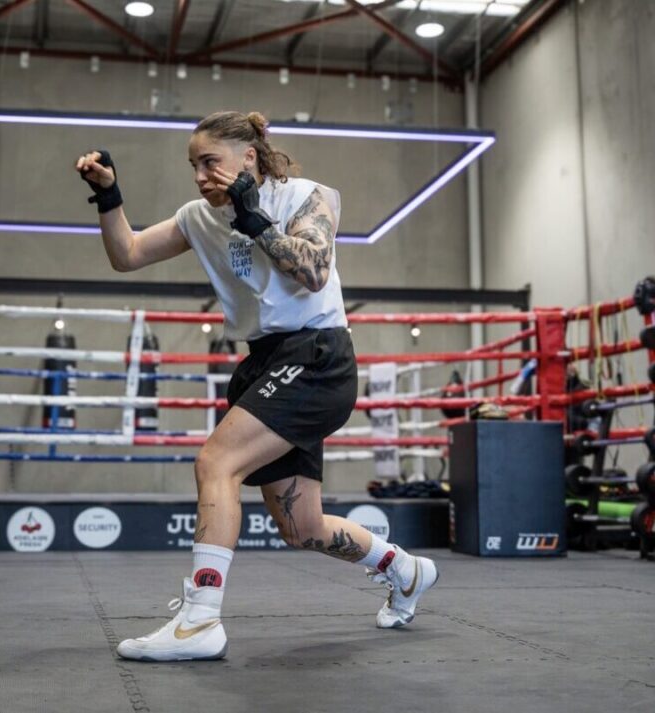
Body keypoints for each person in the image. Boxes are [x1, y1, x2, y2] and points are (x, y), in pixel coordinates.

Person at [75, 110, 439, 662]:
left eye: (210, 162)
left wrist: (256, 221)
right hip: (267, 362)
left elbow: (314, 269)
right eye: (193, 165)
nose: (200, 175)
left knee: (216, 463)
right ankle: (406, 569)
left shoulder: (308, 196)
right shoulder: (198, 217)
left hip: (317, 355)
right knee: (302, 526)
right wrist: (109, 195)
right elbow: (126, 254)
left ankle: (200, 621)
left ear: (248, 157)